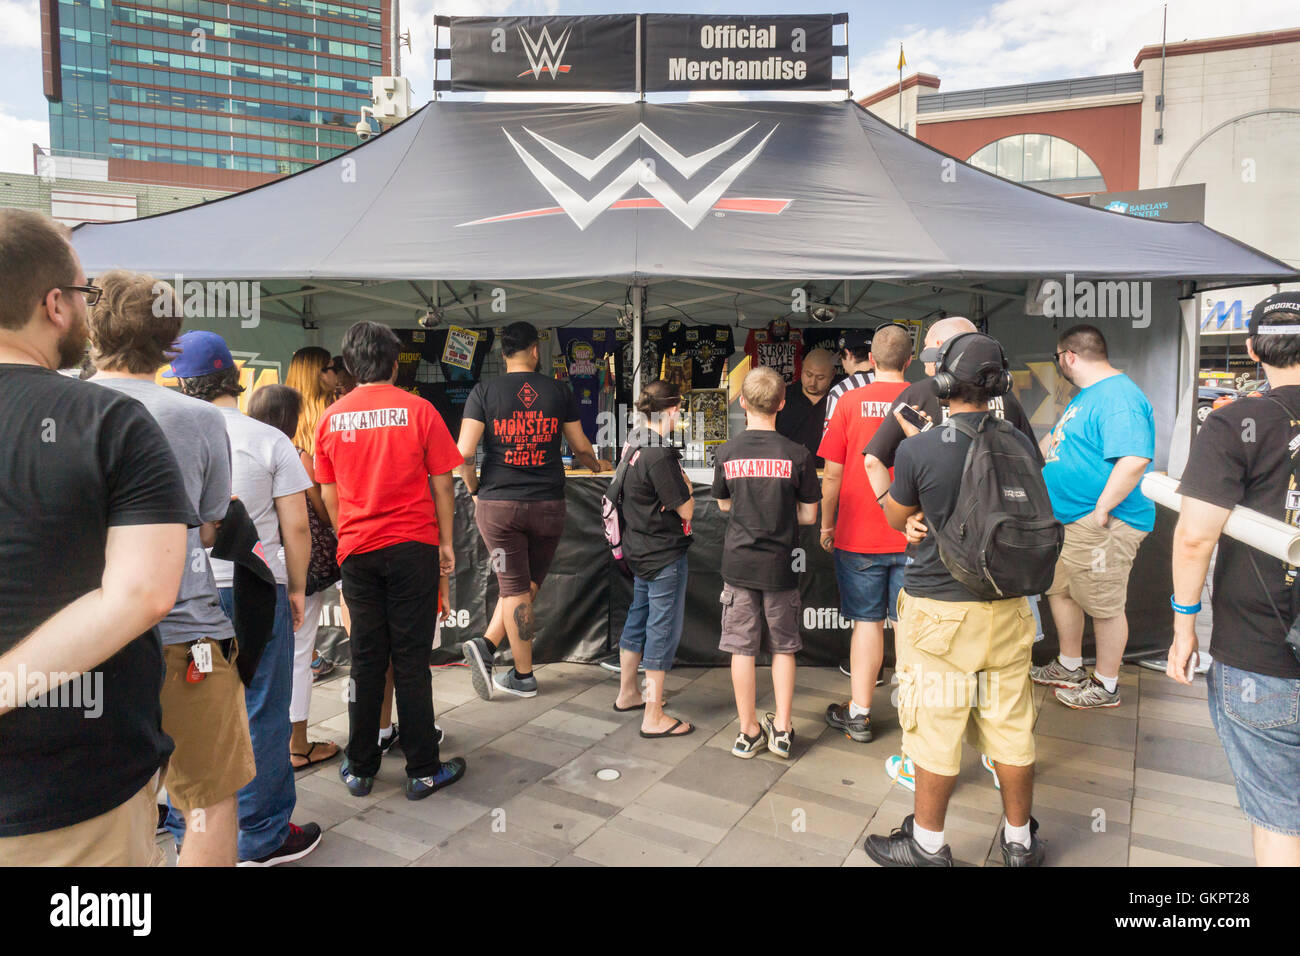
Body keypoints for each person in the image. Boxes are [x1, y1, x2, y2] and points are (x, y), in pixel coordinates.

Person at [0, 209, 190, 865]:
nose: (88, 308)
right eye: (83, 294)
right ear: (54, 304)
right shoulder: (110, 421)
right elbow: (142, 593)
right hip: (69, 804)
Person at [88, 270, 256, 867]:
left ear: (90, 323)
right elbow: (209, 527)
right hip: (187, 637)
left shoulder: (60, 405)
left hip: (87, 642)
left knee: (113, 808)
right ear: (170, 340)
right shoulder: (200, 419)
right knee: (208, 800)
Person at [868, 333, 1043, 867]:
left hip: (939, 615)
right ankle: (1019, 843)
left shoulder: (920, 449)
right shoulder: (1020, 443)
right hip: (1010, 610)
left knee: (933, 729)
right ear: (1000, 384)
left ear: (943, 384)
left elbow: (899, 517)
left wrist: (911, 517)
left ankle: (926, 845)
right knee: (1011, 728)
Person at [172, 331, 322, 865]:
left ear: (184, 382)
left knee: (188, 711)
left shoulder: (166, 431)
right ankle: (261, 835)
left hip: (186, 593)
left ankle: (185, 826)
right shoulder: (268, 438)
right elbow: (296, 527)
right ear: (234, 378)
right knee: (262, 707)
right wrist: (298, 587)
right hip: (258, 588)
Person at [1168, 292, 1300, 866]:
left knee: (1279, 814)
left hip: (1261, 646)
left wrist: (1184, 626)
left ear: (1251, 350)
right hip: (1264, 652)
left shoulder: (1234, 422)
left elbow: (1196, 536)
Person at [314, 321, 467, 800]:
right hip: (412, 548)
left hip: (358, 551)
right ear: (395, 362)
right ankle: (423, 769)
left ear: (349, 364)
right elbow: (445, 483)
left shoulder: (330, 418)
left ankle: (360, 767)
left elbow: (328, 492)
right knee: (411, 661)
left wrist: (348, 537)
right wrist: (445, 542)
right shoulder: (419, 410)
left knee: (365, 661)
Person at [456, 321, 611, 700]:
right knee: (523, 589)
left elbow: (462, 454)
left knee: (516, 590)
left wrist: (475, 490)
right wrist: (597, 467)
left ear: (503, 354)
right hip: (548, 506)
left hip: (499, 507)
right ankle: (495, 654)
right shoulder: (558, 390)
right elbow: (581, 447)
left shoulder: (484, 391)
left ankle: (515, 669)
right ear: (535, 350)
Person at [1030, 324, 1154, 709]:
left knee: (1103, 604)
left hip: (1101, 523)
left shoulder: (1118, 396)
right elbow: (1058, 443)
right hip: (1070, 520)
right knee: (1062, 591)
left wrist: (1102, 508)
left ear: (1068, 356)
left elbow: (1135, 458)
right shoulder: (1088, 396)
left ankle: (1106, 683)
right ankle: (1070, 666)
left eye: (1058, 357)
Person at [712, 366, 821, 759]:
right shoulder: (798, 455)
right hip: (783, 566)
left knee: (741, 649)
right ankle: (783, 730)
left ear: (742, 403)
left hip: (739, 564)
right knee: (784, 648)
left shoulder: (727, 451)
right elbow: (809, 516)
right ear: (781, 403)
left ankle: (747, 731)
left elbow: (724, 504)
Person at [817, 323, 913, 743]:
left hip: (857, 534)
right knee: (911, 630)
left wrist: (826, 524)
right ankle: (918, 721)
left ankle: (859, 714)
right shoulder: (927, 400)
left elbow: (832, 476)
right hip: (915, 533)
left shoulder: (849, 401)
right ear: (910, 361)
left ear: (870, 360)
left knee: (867, 624)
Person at [247, 383, 341, 773]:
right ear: (292, 418)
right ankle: (297, 744)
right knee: (299, 656)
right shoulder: (292, 453)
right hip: (291, 567)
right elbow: (314, 512)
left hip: (247, 569)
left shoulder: (234, 446)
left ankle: (256, 745)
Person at [613, 380, 696, 738]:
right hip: (662, 553)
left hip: (636, 548)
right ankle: (653, 715)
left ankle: (628, 693)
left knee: (639, 617)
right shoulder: (660, 453)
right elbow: (687, 507)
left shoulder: (634, 440)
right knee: (661, 629)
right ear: (674, 410)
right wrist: (685, 485)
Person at [775, 345, 833, 464]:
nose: (813, 382)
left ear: (833, 374)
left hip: (826, 471)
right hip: (787, 471)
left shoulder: (840, 399)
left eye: (820, 377)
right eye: (808, 375)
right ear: (801, 369)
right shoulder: (784, 396)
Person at [822, 328, 876, 432]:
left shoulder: (840, 391)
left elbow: (830, 436)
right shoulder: (893, 384)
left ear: (848, 354)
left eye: (841, 357)